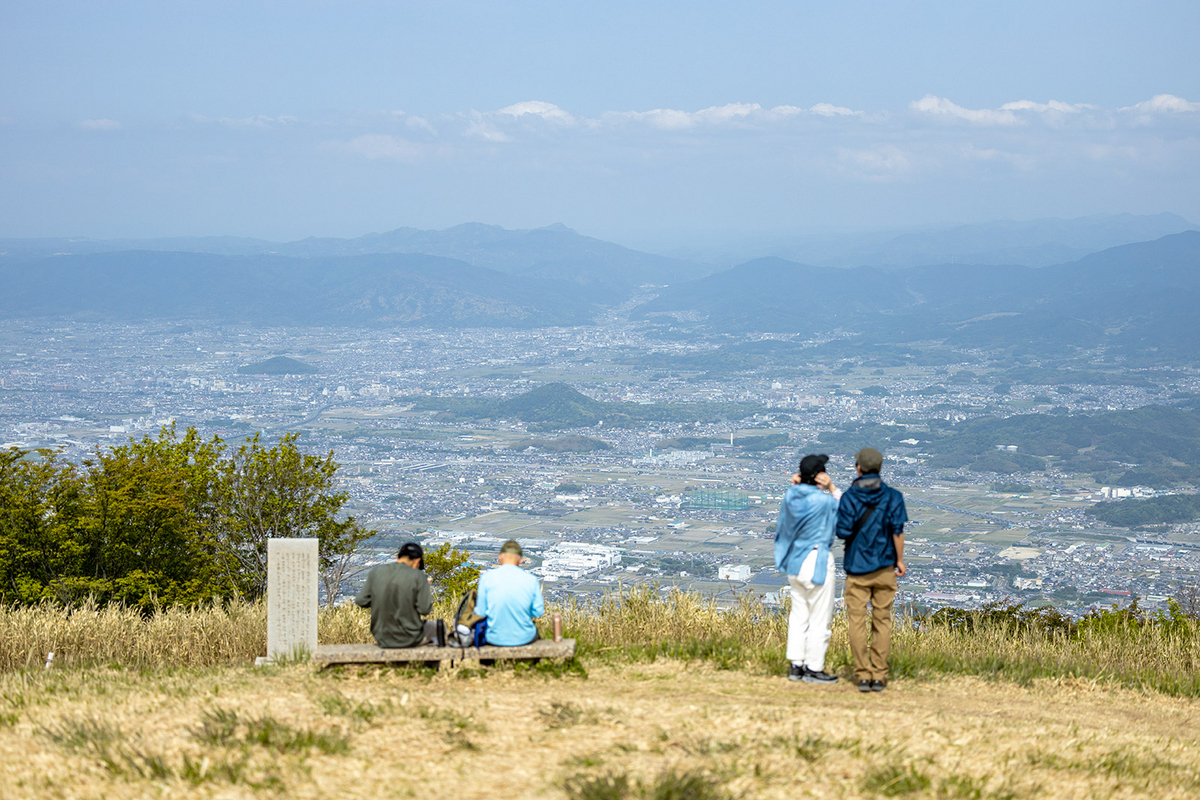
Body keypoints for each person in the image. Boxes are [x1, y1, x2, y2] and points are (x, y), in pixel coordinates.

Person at [836, 447, 908, 693]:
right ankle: (879, 674)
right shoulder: (893, 497)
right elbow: (898, 531)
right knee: (882, 619)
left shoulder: (848, 497)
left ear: (858, 468)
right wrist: (899, 560)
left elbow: (842, 532)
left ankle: (862, 674)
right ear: (880, 467)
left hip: (856, 568)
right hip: (885, 566)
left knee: (856, 621)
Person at [775, 453, 842, 684]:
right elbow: (843, 515)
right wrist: (832, 488)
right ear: (820, 476)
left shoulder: (790, 496)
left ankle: (796, 666)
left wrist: (798, 484)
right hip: (817, 560)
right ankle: (814, 667)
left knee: (799, 615)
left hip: (795, 561)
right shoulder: (823, 501)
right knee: (819, 617)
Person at [354, 541, 440, 648]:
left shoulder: (377, 571)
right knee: (439, 629)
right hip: (410, 637)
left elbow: (361, 601)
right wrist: (424, 588)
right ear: (417, 561)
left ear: (398, 558)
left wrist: (381, 598)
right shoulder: (417, 576)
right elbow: (425, 609)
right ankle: (430, 664)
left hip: (381, 636)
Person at [474, 540, 545, 646]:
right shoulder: (531, 580)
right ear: (520, 560)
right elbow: (538, 612)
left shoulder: (486, 578)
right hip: (524, 637)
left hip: (494, 637)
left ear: (500, 558)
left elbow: (481, 612)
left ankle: (488, 663)